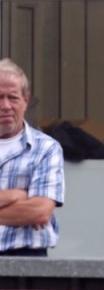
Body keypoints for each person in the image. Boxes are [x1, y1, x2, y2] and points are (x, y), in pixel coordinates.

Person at [0, 59, 64, 257]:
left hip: (25, 263)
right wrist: (14, 196)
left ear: (26, 102)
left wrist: (31, 207)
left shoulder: (46, 148)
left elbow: (40, 212)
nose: (6, 106)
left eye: (13, 97)